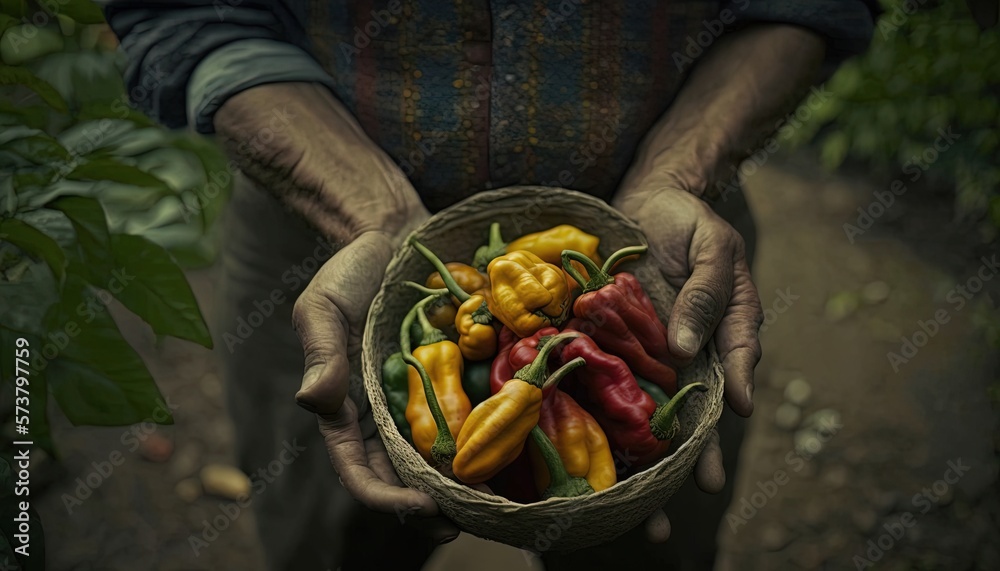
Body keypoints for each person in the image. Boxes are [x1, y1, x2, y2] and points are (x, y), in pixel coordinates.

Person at [105, 2, 876, 569]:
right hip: (313, 234)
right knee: (326, 543)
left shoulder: (578, 308)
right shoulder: (507, 328)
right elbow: (184, 13)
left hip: (661, 259)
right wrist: (374, 213)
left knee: (650, 547)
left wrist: (680, 172)